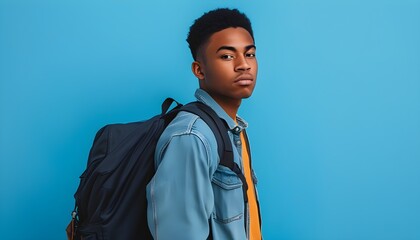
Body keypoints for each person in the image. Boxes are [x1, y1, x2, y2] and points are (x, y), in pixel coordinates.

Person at [146, 8, 262, 240]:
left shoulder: (232, 130)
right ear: (199, 70)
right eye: (227, 56)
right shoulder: (192, 137)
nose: (243, 65)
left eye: (249, 54)